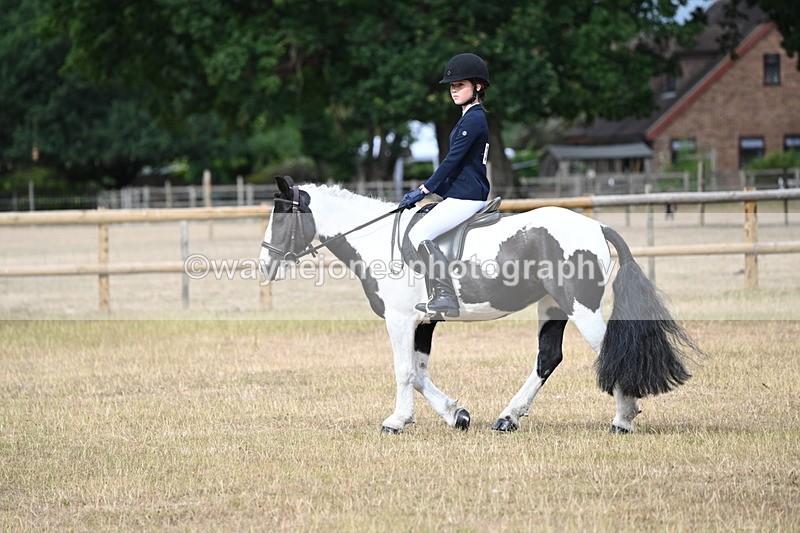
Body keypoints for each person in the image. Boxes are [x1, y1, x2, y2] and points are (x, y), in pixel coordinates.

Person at [399, 53, 491, 317]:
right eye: (452, 86)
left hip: (468, 196)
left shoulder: (473, 119)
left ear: (478, 86)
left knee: (419, 235)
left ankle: (445, 296)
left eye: (460, 85)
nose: (454, 90)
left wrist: (424, 189)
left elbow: (452, 161)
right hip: (463, 194)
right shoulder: (468, 118)